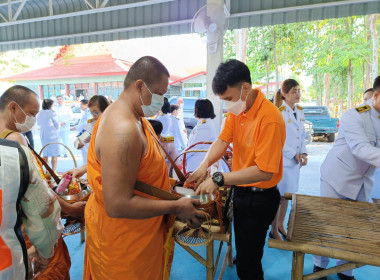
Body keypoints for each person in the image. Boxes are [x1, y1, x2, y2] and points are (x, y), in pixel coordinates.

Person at [83, 56, 205, 280]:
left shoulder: (138, 120)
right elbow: (117, 205)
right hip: (123, 241)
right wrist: (175, 207)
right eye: (159, 93)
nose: (161, 100)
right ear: (139, 86)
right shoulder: (122, 129)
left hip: (141, 232)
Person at [187, 59, 286, 280]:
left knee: (249, 266)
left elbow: (264, 171)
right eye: (223, 100)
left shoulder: (269, 119)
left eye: (229, 99)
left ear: (246, 88)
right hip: (242, 193)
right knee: (245, 253)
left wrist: (219, 178)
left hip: (260, 198)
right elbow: (222, 142)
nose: (227, 105)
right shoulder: (238, 111)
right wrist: (203, 167)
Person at [0, 86, 85, 280]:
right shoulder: (15, 140)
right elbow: (39, 197)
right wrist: (70, 210)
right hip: (29, 226)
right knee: (51, 271)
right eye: (31, 114)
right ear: (13, 107)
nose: (33, 120)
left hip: (8, 231)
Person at [312, 76, 380, 280]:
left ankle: (345, 271)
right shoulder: (355, 115)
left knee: (353, 229)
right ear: (376, 96)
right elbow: (360, 148)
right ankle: (320, 266)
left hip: (363, 181)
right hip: (337, 178)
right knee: (328, 224)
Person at [270, 79, 308, 241]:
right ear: (284, 94)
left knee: (287, 196)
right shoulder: (279, 112)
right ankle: (273, 230)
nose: (297, 94)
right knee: (278, 197)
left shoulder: (299, 111)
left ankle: (281, 225)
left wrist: (304, 153)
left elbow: (302, 136)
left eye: (299, 90)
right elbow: (277, 140)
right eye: (294, 91)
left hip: (295, 162)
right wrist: (293, 154)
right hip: (284, 161)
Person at [185, 99, 218, 173]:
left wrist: (180, 158)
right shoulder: (204, 123)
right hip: (198, 163)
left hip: (197, 164)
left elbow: (193, 147)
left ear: (198, 110)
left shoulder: (204, 125)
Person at [156, 99, 184, 172]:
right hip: (173, 145)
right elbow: (179, 134)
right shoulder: (172, 118)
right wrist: (184, 146)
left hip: (162, 145)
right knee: (173, 166)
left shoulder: (159, 119)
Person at [37, 99, 60, 172]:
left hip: (43, 136)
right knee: (54, 155)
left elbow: (38, 124)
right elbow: (57, 125)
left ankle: (47, 171)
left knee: (45, 154)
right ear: (50, 105)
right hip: (52, 136)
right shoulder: (52, 113)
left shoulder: (39, 113)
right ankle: (54, 171)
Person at [72, 99, 92, 164]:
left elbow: (86, 124)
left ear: (86, 105)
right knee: (84, 150)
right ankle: (86, 165)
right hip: (85, 132)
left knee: (85, 150)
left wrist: (77, 128)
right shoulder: (86, 112)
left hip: (86, 133)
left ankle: (86, 166)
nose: (80, 106)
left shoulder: (88, 113)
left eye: (81, 104)